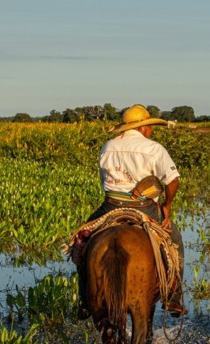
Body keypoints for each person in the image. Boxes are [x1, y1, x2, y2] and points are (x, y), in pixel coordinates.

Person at [77, 104, 185, 318]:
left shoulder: (108, 146)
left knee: (81, 242)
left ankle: (85, 299)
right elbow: (173, 180)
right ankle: (173, 297)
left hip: (110, 205)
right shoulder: (153, 148)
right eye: (149, 126)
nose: (151, 130)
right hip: (144, 207)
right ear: (143, 128)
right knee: (176, 243)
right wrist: (167, 206)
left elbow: (104, 181)